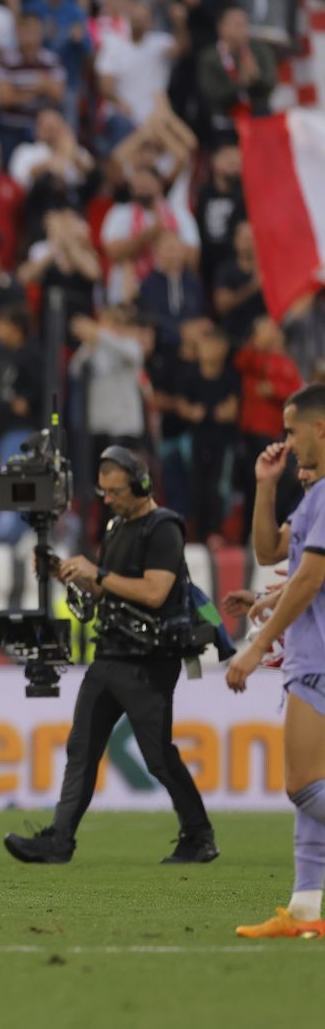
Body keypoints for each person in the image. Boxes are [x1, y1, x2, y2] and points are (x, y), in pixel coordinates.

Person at [5, 447, 218, 865]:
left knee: (158, 757)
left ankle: (199, 835)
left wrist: (97, 573)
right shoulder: (118, 525)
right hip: (111, 653)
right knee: (81, 748)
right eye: (104, 492)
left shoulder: (164, 528)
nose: (109, 499)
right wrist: (67, 571)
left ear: (141, 484)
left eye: (116, 491)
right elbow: (111, 590)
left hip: (149, 660)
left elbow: (154, 592)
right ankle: (59, 840)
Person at [229, 391, 325, 937]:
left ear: (320, 427)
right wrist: (265, 486)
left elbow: (311, 578)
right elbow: (272, 552)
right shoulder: (313, 496)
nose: (287, 443)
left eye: (293, 431)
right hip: (312, 653)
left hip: (317, 658)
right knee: (314, 786)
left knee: (303, 785)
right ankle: (307, 911)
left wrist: (257, 642)